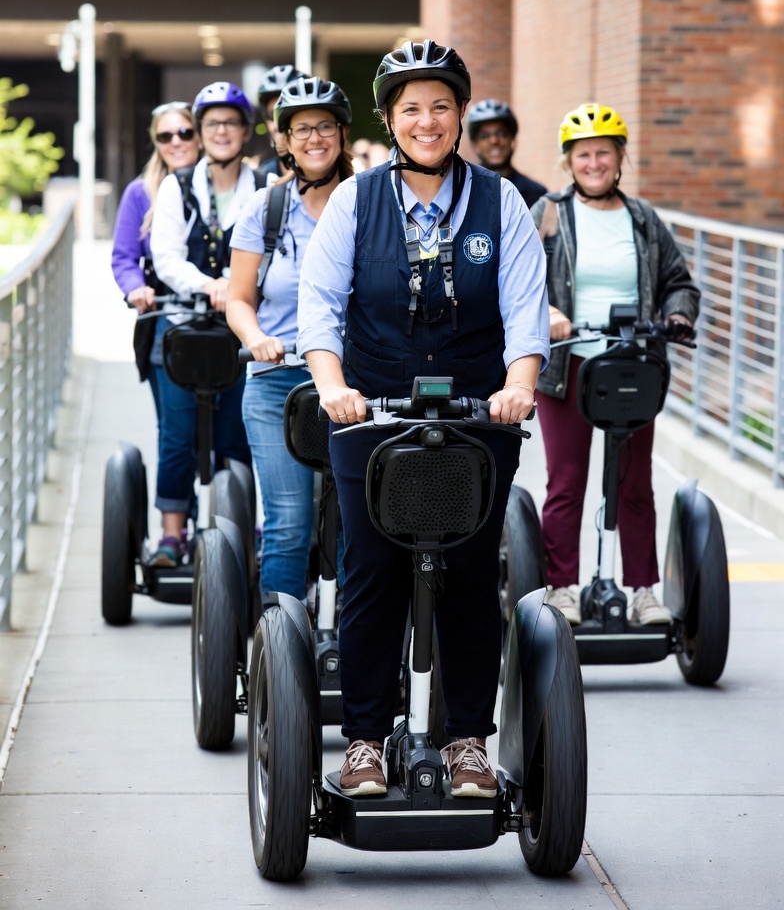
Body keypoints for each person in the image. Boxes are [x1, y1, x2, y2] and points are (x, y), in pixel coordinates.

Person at [298, 40, 549, 798]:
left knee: (472, 573)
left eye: (441, 105)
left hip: (478, 413)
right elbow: (320, 304)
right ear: (388, 119)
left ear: (461, 114)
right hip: (370, 413)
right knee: (370, 569)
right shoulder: (354, 200)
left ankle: (470, 738)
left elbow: (524, 308)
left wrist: (519, 385)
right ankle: (367, 740)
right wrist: (333, 386)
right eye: (411, 108)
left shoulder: (500, 200)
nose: (427, 120)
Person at [529, 102, 700, 627]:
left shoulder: (644, 219)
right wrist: (549, 312)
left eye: (604, 152)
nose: (595, 162)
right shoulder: (549, 214)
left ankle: (643, 590)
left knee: (633, 484)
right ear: (569, 162)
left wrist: (676, 316)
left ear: (620, 157)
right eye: (584, 154)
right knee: (566, 482)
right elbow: (519, 282)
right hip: (569, 367)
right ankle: (562, 589)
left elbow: (679, 283)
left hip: (632, 364)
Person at [227, 77, 355, 600]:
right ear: (284, 141)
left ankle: (358, 642)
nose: (314, 138)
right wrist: (256, 336)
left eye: (325, 126)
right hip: (278, 383)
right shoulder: (266, 208)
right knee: (287, 526)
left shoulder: (370, 201)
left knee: (361, 525)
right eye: (301, 129)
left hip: (357, 388)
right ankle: (279, 654)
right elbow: (238, 299)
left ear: (343, 134)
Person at [148, 82, 258, 567]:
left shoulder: (262, 186)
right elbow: (166, 257)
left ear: (245, 131)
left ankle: (240, 527)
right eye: (211, 124)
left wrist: (233, 286)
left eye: (230, 123)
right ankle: (172, 535)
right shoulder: (178, 185)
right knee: (178, 434)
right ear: (201, 131)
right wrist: (212, 284)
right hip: (183, 327)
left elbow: (268, 250)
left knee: (238, 432)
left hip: (240, 330)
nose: (220, 132)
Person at [110, 102, 201, 413]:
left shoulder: (221, 185)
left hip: (221, 311)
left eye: (185, 133)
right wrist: (135, 287)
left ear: (199, 136)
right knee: (174, 430)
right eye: (165, 136)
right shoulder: (140, 192)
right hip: (165, 309)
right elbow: (124, 256)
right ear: (156, 142)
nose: (175, 142)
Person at [466, 99, 547, 209]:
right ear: (475, 144)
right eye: (484, 136)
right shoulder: (463, 190)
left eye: (502, 133)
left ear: (512, 138)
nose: (494, 141)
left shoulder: (537, 194)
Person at [254, 64, 306, 185]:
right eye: (273, 116)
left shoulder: (345, 179)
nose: (279, 125)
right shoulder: (259, 177)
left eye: (289, 115)